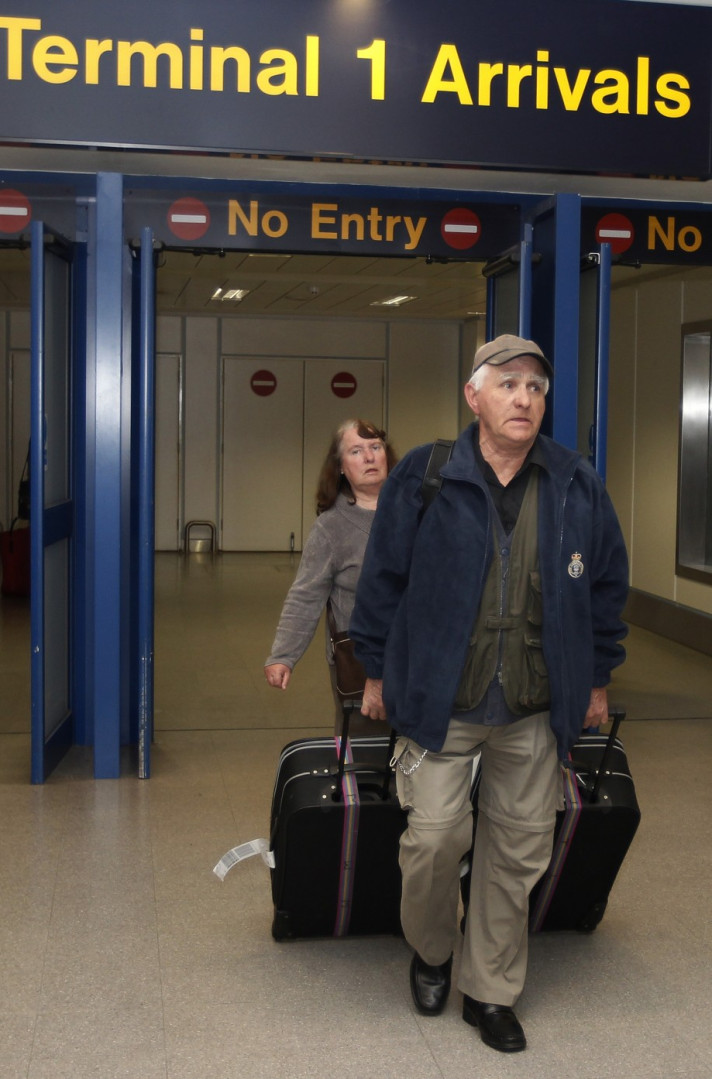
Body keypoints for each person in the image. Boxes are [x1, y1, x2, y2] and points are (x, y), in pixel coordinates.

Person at [349, 334, 629, 1052]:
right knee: (435, 838)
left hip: (534, 704)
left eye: (536, 387)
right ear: (474, 395)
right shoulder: (428, 474)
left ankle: (491, 989)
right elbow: (383, 578)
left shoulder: (573, 481)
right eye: (508, 384)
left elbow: (604, 584)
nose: (524, 398)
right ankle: (434, 949)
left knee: (518, 850)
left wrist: (597, 677)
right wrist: (375, 671)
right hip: (442, 697)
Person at [264, 418, 398, 736]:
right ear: (340, 467)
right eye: (356, 451)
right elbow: (306, 595)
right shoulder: (331, 527)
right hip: (359, 660)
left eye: (375, 447)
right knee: (366, 749)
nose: (369, 457)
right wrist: (283, 655)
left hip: (417, 653)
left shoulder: (417, 511)